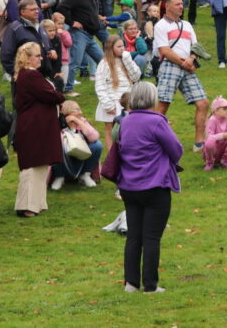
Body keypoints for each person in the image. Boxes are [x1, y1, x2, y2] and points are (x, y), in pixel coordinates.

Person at [115, 81, 182, 294]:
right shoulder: (157, 122)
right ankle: (150, 285)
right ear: (152, 99)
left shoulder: (125, 122)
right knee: (151, 237)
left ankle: (131, 283)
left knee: (134, 236)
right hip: (154, 185)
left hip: (129, 186)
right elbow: (176, 150)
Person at [13, 41, 64, 217]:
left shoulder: (29, 75)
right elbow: (51, 95)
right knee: (32, 166)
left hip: (37, 125)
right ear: (28, 58)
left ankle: (37, 203)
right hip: (33, 127)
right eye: (37, 55)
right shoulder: (29, 75)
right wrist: (59, 92)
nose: (41, 58)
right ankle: (27, 205)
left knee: (40, 164)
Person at [154, 0, 209, 151]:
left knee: (203, 103)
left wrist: (191, 59)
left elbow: (195, 46)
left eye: (181, 4)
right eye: (177, 4)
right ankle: (154, 140)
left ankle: (199, 143)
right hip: (170, 66)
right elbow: (164, 50)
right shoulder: (161, 25)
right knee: (162, 106)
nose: (181, 6)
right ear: (168, 6)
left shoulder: (187, 24)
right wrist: (183, 62)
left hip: (187, 66)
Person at [57, 0, 106, 94]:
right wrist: (71, 22)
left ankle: (107, 83)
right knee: (75, 62)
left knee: (103, 60)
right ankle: (68, 88)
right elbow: (61, 8)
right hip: (80, 34)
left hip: (90, 35)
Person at [95, 34, 141, 153]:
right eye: (119, 46)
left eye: (123, 46)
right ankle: (111, 156)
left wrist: (128, 60)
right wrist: (108, 104)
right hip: (111, 100)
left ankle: (126, 152)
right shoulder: (104, 64)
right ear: (111, 48)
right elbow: (100, 85)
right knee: (110, 128)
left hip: (127, 101)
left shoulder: (126, 60)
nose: (122, 49)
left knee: (127, 128)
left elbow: (136, 76)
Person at [51, 100, 102, 190]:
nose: (80, 112)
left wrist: (78, 122)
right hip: (64, 158)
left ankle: (85, 175)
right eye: (77, 110)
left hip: (81, 155)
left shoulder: (82, 121)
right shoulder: (57, 122)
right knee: (55, 147)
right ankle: (59, 177)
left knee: (97, 145)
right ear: (67, 111)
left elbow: (94, 137)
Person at [201, 96, 227, 170]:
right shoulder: (212, 120)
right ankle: (209, 162)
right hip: (212, 150)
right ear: (216, 111)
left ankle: (225, 161)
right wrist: (223, 135)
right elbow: (209, 137)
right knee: (209, 142)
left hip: (222, 148)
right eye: (224, 109)